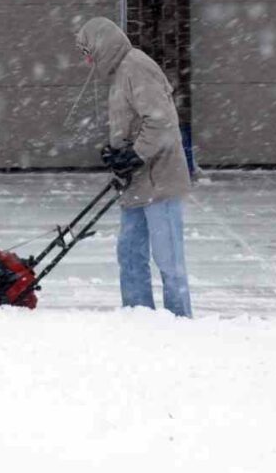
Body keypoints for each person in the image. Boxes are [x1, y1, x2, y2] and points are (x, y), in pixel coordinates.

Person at [73, 16, 193, 318]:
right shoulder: (118, 74)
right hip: (136, 181)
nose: (87, 61)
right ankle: (138, 316)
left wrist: (134, 155)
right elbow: (132, 123)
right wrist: (115, 152)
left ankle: (180, 320)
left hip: (159, 179)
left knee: (168, 258)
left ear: (101, 45)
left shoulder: (136, 67)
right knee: (129, 253)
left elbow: (161, 121)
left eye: (88, 52)